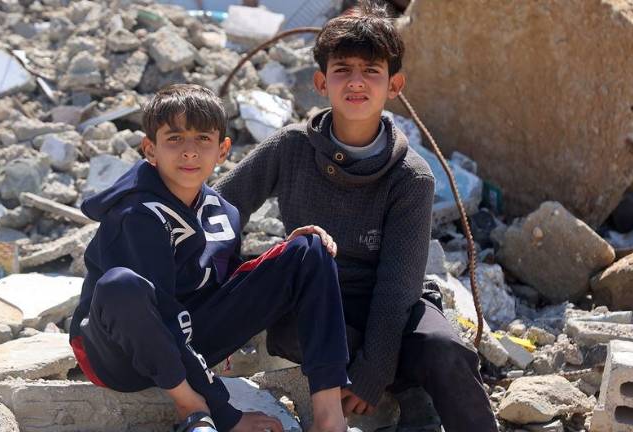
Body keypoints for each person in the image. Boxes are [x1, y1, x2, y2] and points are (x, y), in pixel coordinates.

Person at [213, 2, 498, 431]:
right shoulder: (290, 148)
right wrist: (219, 294)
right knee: (296, 332)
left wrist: (372, 374)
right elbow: (219, 208)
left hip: (390, 304)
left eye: (372, 71)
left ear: (394, 85)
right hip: (314, 300)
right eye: (343, 70)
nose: (357, 82)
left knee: (443, 348)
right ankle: (410, 390)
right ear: (321, 81)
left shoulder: (411, 177)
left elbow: (398, 289)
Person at [69, 84, 350, 432]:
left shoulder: (223, 212)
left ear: (223, 150)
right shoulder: (136, 214)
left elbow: (225, 284)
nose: (190, 152)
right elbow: (159, 310)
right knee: (120, 285)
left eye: (203, 139)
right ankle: (192, 405)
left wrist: (286, 256)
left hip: (188, 338)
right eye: (174, 139)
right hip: (119, 355)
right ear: (150, 150)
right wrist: (226, 411)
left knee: (310, 248)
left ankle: (329, 414)